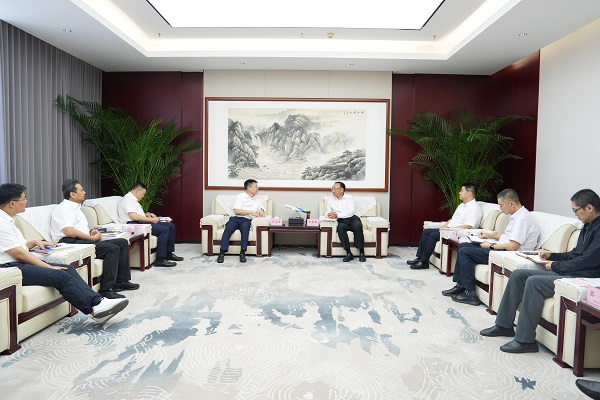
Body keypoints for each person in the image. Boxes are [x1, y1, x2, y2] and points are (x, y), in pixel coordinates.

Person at [480, 189, 600, 353]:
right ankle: (503, 325)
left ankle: (525, 341)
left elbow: (587, 261)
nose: (575, 215)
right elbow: (575, 254)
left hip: (585, 276)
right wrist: (552, 256)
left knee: (534, 282)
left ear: (589, 208)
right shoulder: (587, 226)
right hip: (573, 269)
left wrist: (555, 266)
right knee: (519, 275)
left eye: (576, 210)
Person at [0, 183, 128, 325]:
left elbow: (18, 246)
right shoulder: (2, 223)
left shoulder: (8, 220)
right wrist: (48, 267)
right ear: (12, 203)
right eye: (24, 199)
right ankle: (96, 307)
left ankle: (98, 306)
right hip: (10, 267)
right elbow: (19, 254)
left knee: (68, 269)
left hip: (18, 263)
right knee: (59, 275)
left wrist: (35, 241)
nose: (26, 202)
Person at [443, 188, 540, 306]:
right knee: (463, 245)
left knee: (465, 252)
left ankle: (471, 294)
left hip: (507, 254)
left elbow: (512, 246)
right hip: (502, 248)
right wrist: (490, 236)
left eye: (501, 205)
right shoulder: (517, 216)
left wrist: (491, 245)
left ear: (511, 203)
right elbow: (508, 237)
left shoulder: (522, 219)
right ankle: (461, 285)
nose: (500, 208)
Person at [50, 179, 139, 299]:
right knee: (112, 249)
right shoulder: (64, 209)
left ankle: (121, 282)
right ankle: (106, 289)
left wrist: (91, 232)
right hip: (69, 242)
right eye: (81, 190)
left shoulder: (76, 208)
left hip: (80, 239)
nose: (84, 192)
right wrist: (91, 238)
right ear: (72, 194)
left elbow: (79, 228)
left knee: (122, 242)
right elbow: (69, 231)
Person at [408, 183, 483, 270]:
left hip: (457, 233)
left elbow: (468, 226)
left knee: (433, 235)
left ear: (469, 193)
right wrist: (444, 227)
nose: (459, 193)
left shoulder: (474, 208)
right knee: (426, 231)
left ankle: (424, 262)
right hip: (449, 230)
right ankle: (419, 258)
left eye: (461, 190)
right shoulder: (461, 205)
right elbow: (452, 219)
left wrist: (450, 229)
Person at [117, 182, 183, 268]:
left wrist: (147, 214)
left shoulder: (132, 200)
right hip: (133, 225)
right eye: (143, 194)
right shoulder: (127, 200)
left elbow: (135, 213)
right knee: (164, 230)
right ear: (138, 190)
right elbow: (134, 217)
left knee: (171, 226)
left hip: (138, 222)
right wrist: (151, 220)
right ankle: (160, 259)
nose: (143, 196)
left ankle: (168, 254)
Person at [217, 179, 265, 263]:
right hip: (236, 218)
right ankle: (221, 252)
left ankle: (242, 253)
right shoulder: (240, 196)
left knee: (245, 229)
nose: (258, 188)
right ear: (249, 188)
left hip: (246, 220)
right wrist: (251, 212)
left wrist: (261, 210)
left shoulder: (258, 199)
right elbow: (237, 211)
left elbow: (261, 208)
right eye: (256, 186)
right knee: (228, 228)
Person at [325, 181, 366, 262]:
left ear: (341, 190)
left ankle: (362, 252)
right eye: (332, 188)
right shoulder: (330, 200)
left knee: (357, 226)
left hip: (352, 219)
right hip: (341, 221)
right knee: (340, 228)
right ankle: (349, 253)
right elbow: (327, 212)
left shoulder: (349, 198)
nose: (333, 191)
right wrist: (329, 214)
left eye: (335, 189)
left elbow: (351, 211)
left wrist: (337, 215)